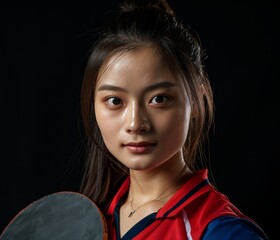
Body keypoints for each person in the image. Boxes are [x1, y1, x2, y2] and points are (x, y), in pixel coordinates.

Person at [78, 0, 269, 239]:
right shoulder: (89, 223)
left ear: (197, 100)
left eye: (159, 99)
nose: (135, 123)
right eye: (115, 101)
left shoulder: (221, 231)